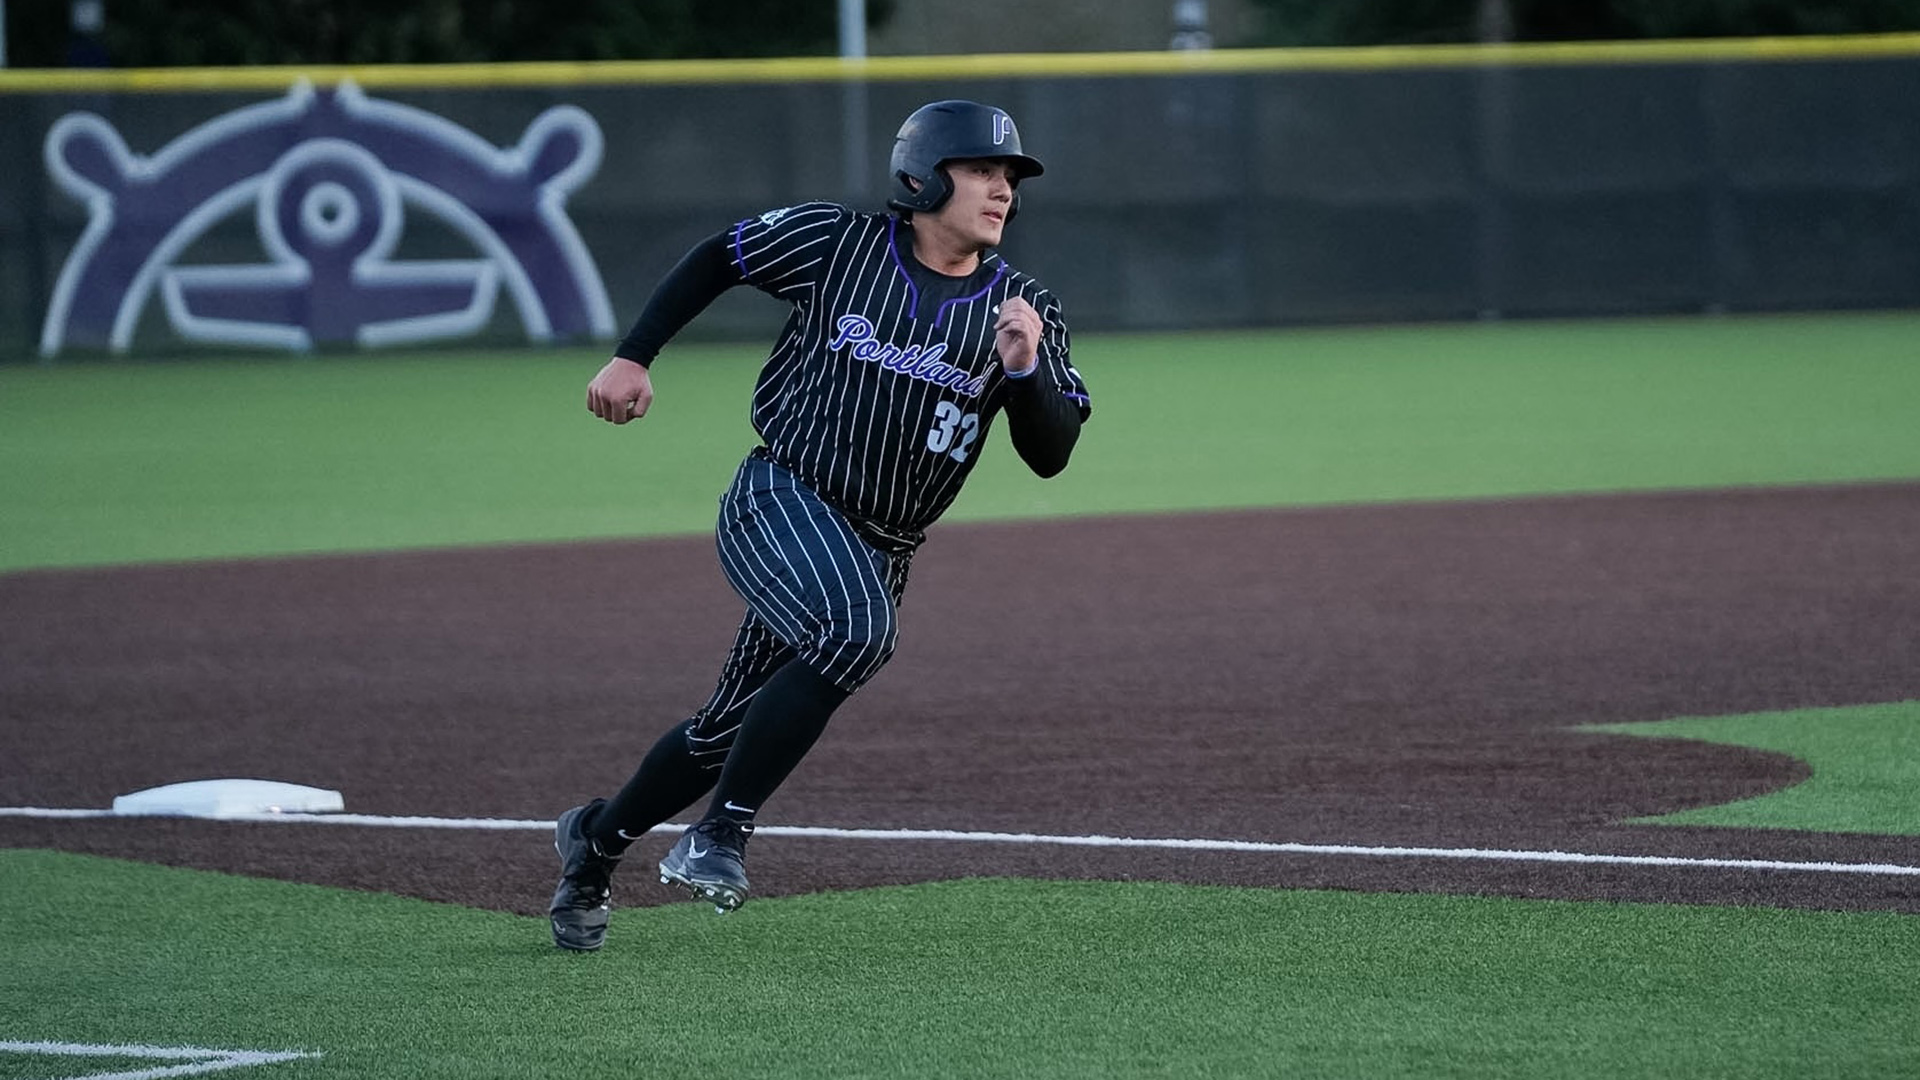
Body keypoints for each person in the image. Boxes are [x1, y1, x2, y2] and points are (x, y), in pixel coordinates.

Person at [548, 99, 1092, 951]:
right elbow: (717, 257)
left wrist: (1023, 372)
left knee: (724, 731)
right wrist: (633, 356)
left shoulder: (1026, 309)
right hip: (782, 498)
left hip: (882, 547)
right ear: (923, 177)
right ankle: (722, 832)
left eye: (1010, 177)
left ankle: (594, 846)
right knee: (858, 633)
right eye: (982, 171)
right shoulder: (837, 242)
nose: (1002, 190)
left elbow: (1051, 455)